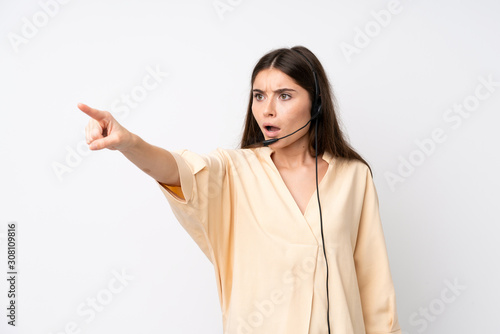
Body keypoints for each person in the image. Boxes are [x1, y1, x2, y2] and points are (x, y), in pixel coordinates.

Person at [79, 45, 402, 334]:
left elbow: (374, 287)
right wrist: (129, 143)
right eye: (259, 96)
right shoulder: (234, 171)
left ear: (316, 104)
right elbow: (178, 170)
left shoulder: (353, 177)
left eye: (284, 95)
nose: (267, 110)